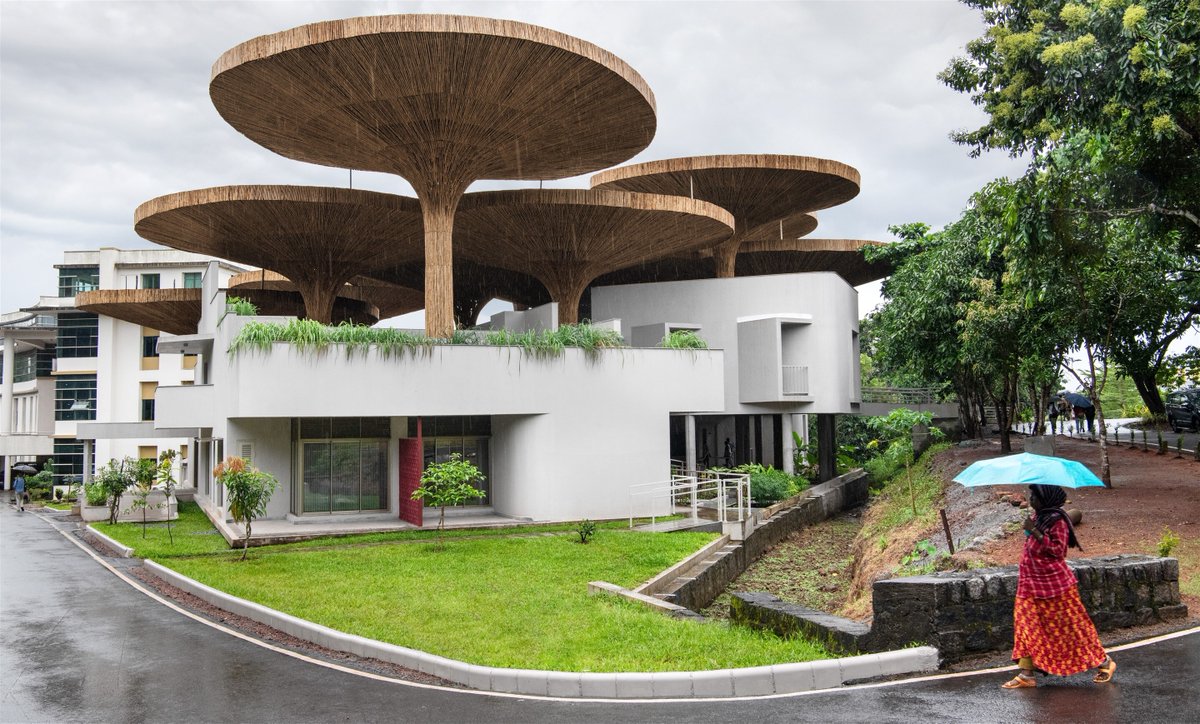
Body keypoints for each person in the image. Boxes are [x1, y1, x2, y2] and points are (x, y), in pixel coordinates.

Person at [1003, 483, 1115, 689]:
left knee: (1072, 628)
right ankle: (1027, 673)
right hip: (1029, 584)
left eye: (1034, 496)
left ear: (1045, 499)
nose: (1031, 500)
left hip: (1054, 586)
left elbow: (1058, 550)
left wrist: (1035, 533)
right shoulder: (1039, 517)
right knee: (1026, 625)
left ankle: (1104, 662)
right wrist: (1032, 530)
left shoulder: (1058, 520)